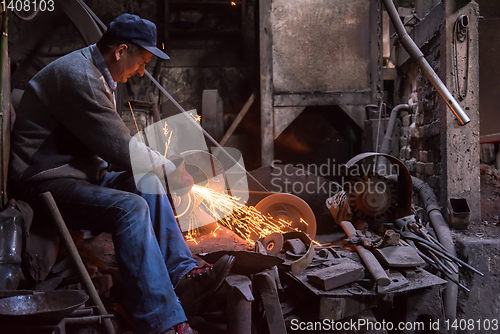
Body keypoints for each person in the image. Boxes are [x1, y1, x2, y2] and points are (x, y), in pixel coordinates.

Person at [8, 13, 234, 334]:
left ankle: (182, 277)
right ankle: (161, 321)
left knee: (149, 183)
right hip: (44, 182)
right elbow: (121, 149)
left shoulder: (98, 74)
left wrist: (159, 171)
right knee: (131, 208)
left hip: (80, 175)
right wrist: (171, 168)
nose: (141, 71)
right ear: (120, 51)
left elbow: (116, 150)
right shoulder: (80, 77)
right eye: (141, 62)